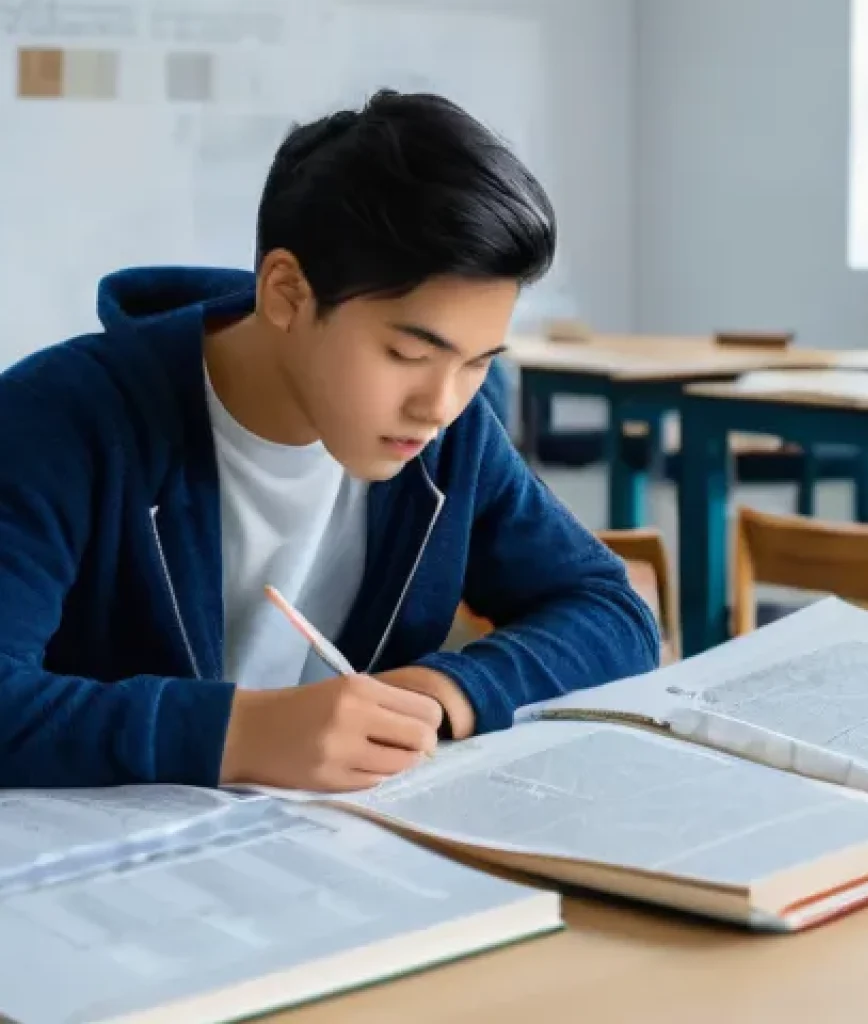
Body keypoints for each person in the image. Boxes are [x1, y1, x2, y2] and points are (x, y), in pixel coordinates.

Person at [0, 89, 659, 792]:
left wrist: (440, 694)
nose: (439, 404)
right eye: (408, 354)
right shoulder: (59, 419)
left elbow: (611, 613)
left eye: (477, 363)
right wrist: (239, 734)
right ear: (285, 292)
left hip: (335, 858)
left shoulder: (448, 436)